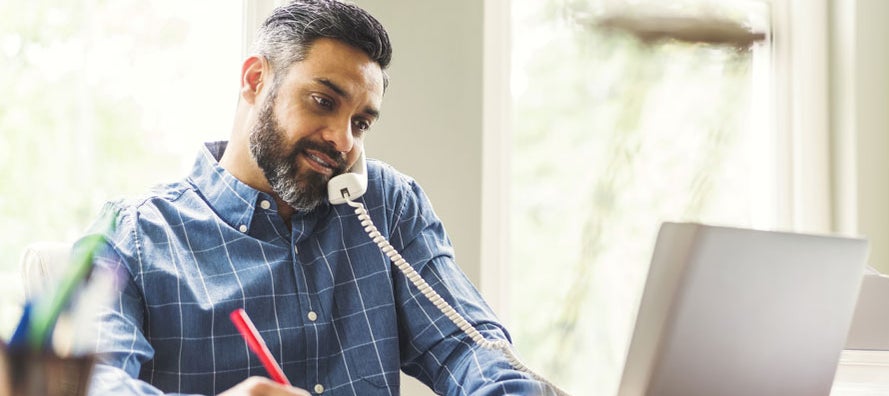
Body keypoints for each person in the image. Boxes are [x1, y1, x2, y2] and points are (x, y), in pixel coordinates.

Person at [83, 1, 549, 395]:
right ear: (254, 80)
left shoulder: (386, 207)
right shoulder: (134, 238)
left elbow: (467, 345)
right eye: (323, 101)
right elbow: (94, 383)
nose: (343, 141)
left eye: (361, 122)